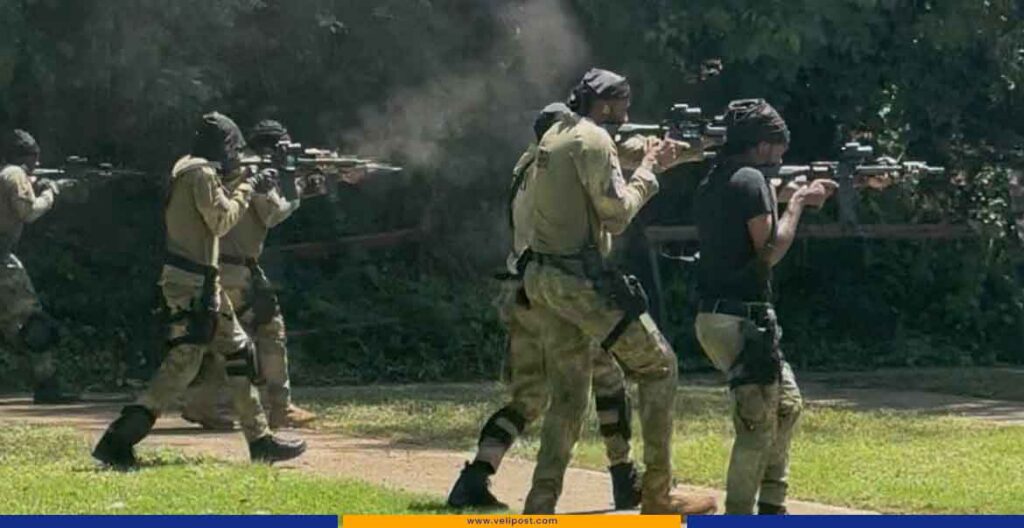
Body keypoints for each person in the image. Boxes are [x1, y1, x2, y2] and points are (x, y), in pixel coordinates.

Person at [519, 68, 717, 518]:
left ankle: (539, 506)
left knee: (569, 397)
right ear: (607, 105)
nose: (627, 116)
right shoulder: (594, 141)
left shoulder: (558, 133)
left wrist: (685, 150)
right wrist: (649, 171)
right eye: (624, 108)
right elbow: (616, 214)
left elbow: (618, 151)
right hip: (579, 282)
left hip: (546, 279)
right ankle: (658, 496)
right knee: (660, 366)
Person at [447, 103, 643, 511]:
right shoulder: (558, 175)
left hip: (523, 291)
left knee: (529, 396)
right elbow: (609, 204)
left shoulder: (526, 167)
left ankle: (475, 476)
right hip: (560, 294)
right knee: (608, 379)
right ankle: (623, 475)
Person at [92, 112, 307, 469]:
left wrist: (247, 181)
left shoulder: (188, 169)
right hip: (194, 283)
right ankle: (118, 439)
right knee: (183, 363)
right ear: (222, 146)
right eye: (233, 149)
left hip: (198, 280)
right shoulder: (201, 174)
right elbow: (221, 221)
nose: (235, 156)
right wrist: (249, 186)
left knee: (238, 352)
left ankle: (260, 440)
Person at [692, 99, 836, 514]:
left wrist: (785, 194)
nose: (782, 156)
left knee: (786, 407)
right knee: (755, 425)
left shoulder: (718, 179)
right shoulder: (751, 179)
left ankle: (773, 507)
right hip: (741, 320)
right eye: (777, 147)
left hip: (719, 315)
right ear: (759, 145)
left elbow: (747, 214)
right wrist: (798, 203)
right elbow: (769, 251)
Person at [182, 120, 320, 430]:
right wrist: (297, 188)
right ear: (273, 148)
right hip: (237, 271)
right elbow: (272, 214)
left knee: (226, 339)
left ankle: (202, 404)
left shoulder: (227, 169)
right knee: (270, 332)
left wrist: (297, 185)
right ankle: (279, 407)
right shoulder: (254, 173)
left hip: (217, 266)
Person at [0, 129, 78, 404]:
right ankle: (46, 386)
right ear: (27, 157)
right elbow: (28, 212)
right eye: (35, 158)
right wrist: (50, 193)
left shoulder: (7, 175)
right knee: (33, 323)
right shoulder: (14, 175)